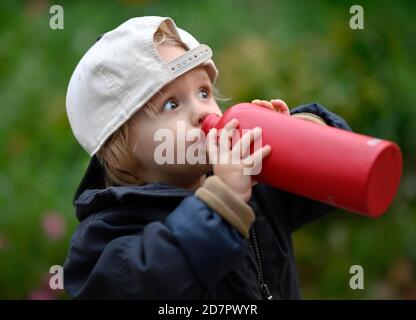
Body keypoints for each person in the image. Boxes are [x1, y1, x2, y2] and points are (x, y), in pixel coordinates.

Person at [63, 16, 351, 299]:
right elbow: (148, 283)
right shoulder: (107, 237)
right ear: (121, 148)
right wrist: (221, 205)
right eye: (171, 104)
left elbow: (337, 181)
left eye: (203, 92)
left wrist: (303, 137)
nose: (202, 111)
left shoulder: (250, 181)